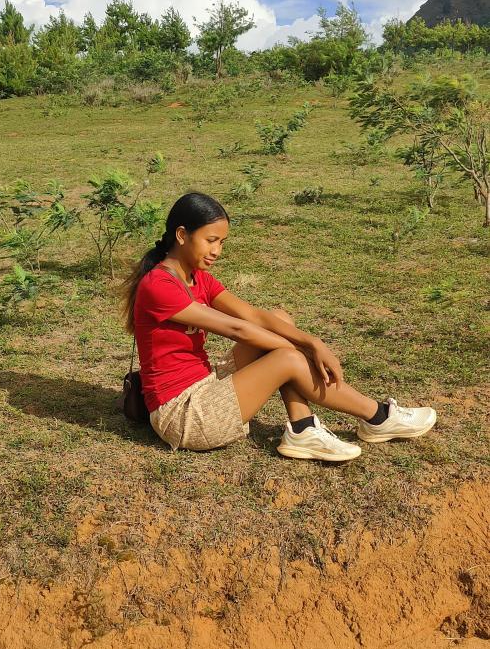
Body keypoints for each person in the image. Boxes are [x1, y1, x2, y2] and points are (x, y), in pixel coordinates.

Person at [120, 191, 437, 463]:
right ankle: (377, 417)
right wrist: (299, 352)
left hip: (204, 384)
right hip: (183, 415)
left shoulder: (197, 276)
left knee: (280, 320)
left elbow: (253, 316)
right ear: (181, 235)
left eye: (222, 242)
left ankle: (302, 428)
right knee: (287, 357)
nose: (217, 251)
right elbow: (238, 330)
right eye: (211, 240)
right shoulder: (159, 285)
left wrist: (312, 342)